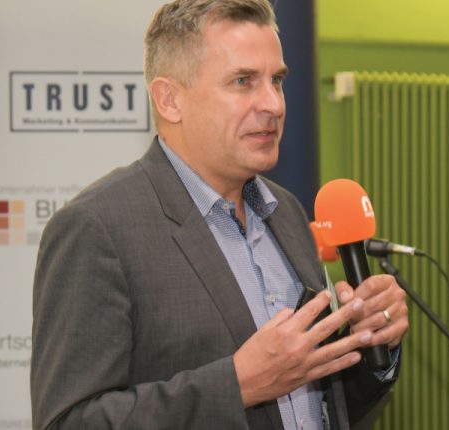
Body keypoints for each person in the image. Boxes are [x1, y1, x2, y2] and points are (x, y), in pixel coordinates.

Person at [30, 0, 409, 429]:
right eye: (243, 81)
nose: (274, 104)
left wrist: (371, 344)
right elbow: (69, 422)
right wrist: (238, 386)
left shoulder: (285, 211)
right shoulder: (98, 228)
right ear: (169, 100)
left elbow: (316, 407)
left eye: (277, 80)